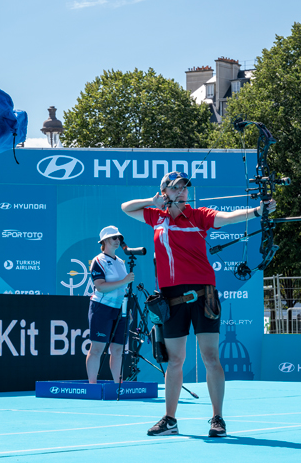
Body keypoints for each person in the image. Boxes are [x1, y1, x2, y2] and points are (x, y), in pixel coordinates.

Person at [122, 171, 274, 437]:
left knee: (210, 357)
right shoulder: (155, 216)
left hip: (203, 294)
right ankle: (170, 419)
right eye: (176, 188)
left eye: (185, 188)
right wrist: (153, 201)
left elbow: (227, 218)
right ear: (165, 192)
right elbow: (126, 208)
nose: (182, 192)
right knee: (175, 360)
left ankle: (217, 418)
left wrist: (258, 211)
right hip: (171, 297)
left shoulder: (199, 215)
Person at [85, 226, 135, 384]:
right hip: (102, 308)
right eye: (114, 238)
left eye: (119, 238)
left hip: (120, 310)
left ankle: (118, 384)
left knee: (118, 349)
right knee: (97, 349)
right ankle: (92, 385)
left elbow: (123, 289)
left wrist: (127, 310)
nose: (117, 241)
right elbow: (100, 286)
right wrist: (124, 281)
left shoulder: (120, 262)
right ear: (105, 241)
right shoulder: (98, 260)